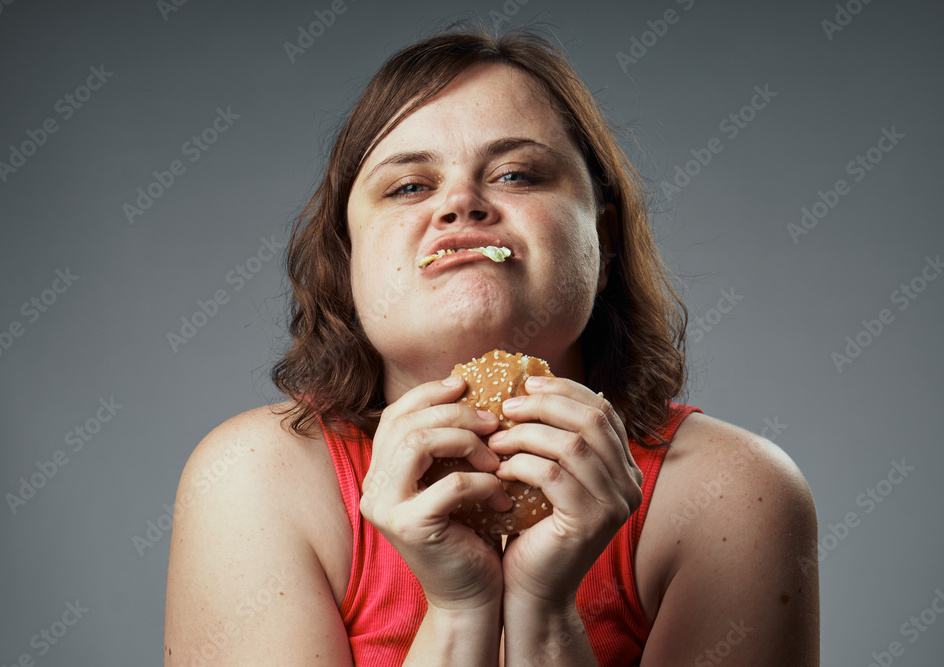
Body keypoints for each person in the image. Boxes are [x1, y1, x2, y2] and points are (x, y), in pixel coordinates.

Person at [164, 23, 820, 666]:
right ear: (347, 260)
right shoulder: (254, 479)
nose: (460, 204)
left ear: (604, 241)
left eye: (516, 175)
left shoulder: (733, 494)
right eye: (409, 186)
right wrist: (460, 609)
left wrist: (542, 608)